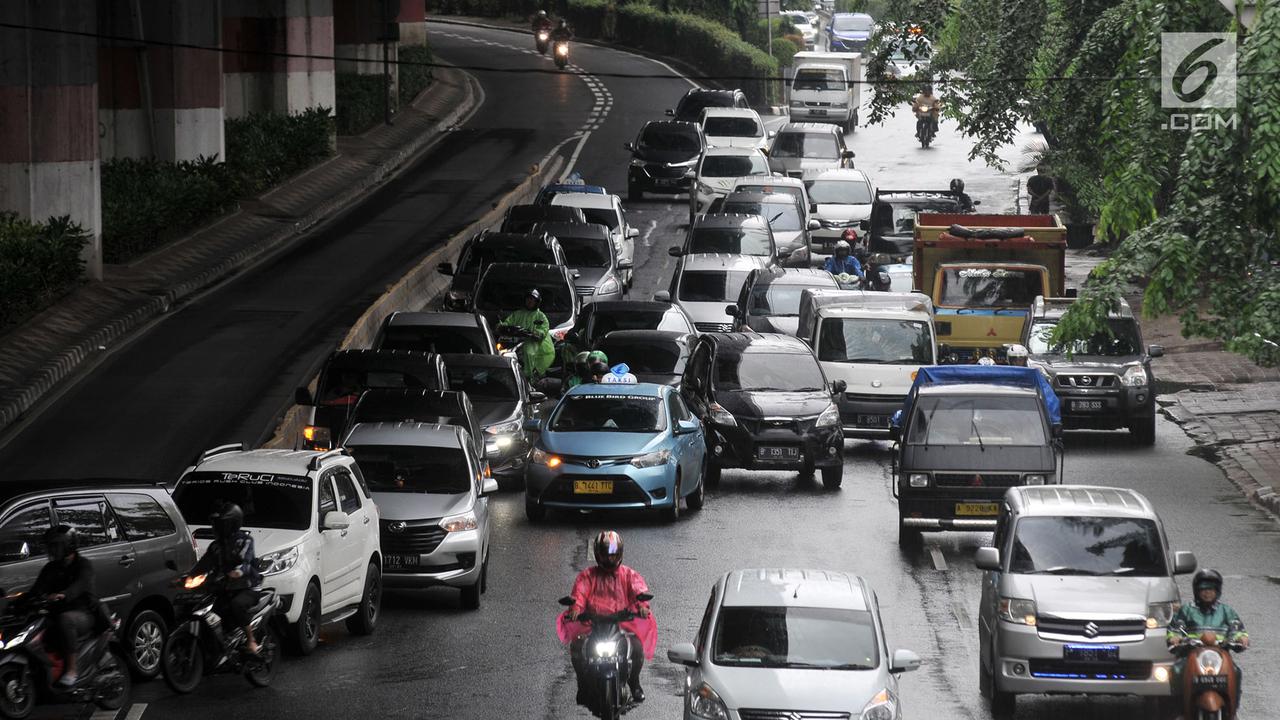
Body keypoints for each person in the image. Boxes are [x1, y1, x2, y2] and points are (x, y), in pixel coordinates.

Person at [563, 531, 653, 704]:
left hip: (622, 621)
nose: (610, 559)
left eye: (613, 555)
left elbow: (639, 590)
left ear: (619, 554)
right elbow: (579, 593)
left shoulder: (628, 574)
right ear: (597, 555)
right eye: (605, 555)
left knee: (637, 646)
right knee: (577, 646)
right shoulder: (587, 576)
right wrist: (575, 608)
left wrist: (642, 605)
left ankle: (634, 682)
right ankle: (582, 683)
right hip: (593, 621)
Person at [190, 502, 263, 654]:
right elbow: (203, 565)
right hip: (225, 587)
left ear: (232, 524)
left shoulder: (245, 540)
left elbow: (246, 562)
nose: (216, 527)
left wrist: (237, 572)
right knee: (208, 608)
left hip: (247, 587)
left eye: (220, 524)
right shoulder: (216, 546)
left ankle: (251, 640)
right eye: (215, 524)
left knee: (237, 605)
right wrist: (186, 578)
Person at [28, 526, 95, 686]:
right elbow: (36, 590)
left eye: (55, 545)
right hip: (55, 613)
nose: (51, 550)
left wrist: (63, 594)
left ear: (68, 545)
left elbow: (79, 586)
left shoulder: (83, 565)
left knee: (65, 620)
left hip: (83, 613)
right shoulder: (50, 568)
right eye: (50, 546)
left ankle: (72, 670)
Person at [1167, 569, 1248, 699]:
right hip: (1191, 654)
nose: (1207, 593)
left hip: (1220, 656)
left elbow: (1237, 628)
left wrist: (1241, 638)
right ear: (1196, 591)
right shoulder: (1187, 610)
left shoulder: (1227, 611)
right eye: (1203, 589)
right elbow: (1176, 628)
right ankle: (1178, 708)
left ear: (1217, 591)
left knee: (1236, 672)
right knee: (1176, 671)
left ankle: (1233, 708)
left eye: (1211, 589)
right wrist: (1175, 638)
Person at [501, 289, 556, 382]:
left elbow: (543, 330)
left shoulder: (541, 316)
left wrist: (535, 333)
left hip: (537, 347)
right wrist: (501, 327)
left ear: (536, 302)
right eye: (528, 299)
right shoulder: (518, 314)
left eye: (532, 300)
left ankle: (528, 378)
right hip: (516, 343)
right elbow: (507, 323)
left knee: (528, 351)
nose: (530, 302)